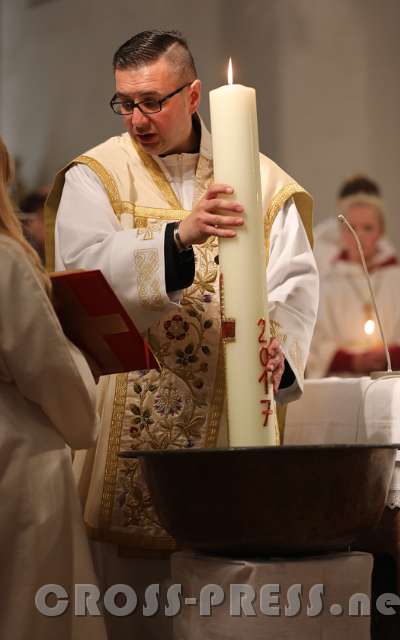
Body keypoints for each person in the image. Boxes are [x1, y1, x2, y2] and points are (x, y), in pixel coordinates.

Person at [45, 29, 318, 638]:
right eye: (124, 102)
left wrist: (282, 352)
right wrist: (175, 238)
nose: (136, 118)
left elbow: (295, 290)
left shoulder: (263, 181)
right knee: (130, 612)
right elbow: (79, 276)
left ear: (194, 95)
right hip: (129, 433)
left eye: (152, 101)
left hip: (231, 424)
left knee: (229, 609)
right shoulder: (98, 176)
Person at [0, 137, 107, 639]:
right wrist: (86, 362)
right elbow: (49, 374)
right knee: (30, 613)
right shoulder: (5, 262)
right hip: (17, 462)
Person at [308, 174, 400, 378]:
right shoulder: (327, 286)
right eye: (352, 228)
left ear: (381, 232)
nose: (359, 235)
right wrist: (353, 360)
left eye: (368, 228)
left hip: (394, 383)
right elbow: (314, 345)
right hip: (343, 388)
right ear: (340, 232)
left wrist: (390, 354)